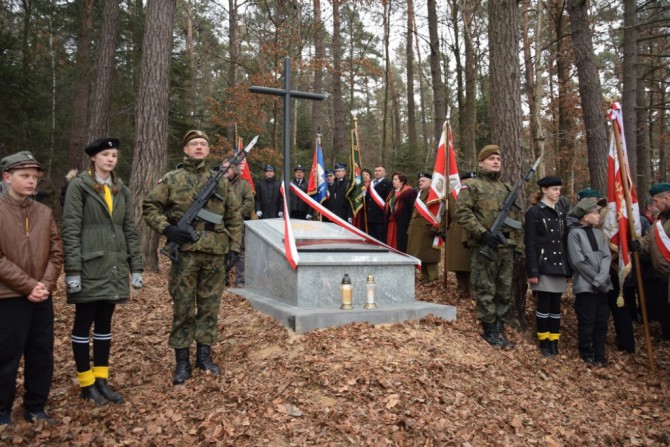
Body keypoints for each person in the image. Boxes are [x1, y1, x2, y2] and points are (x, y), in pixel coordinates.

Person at [143, 130, 242, 385]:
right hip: (185, 254)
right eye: (194, 144)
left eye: (203, 144)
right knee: (183, 307)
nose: (199, 147)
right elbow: (150, 207)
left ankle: (204, 357)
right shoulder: (172, 179)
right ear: (185, 150)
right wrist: (168, 229)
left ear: (208, 151)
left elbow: (233, 215)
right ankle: (182, 362)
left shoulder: (219, 181)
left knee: (210, 307)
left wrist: (234, 248)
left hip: (215, 254)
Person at [61, 137, 144, 405]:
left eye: (114, 155)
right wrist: (72, 270)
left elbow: (129, 230)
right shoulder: (79, 187)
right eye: (106, 154)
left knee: (105, 324)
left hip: (114, 265)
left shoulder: (122, 189)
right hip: (88, 265)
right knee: (84, 322)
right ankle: (86, 383)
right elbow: (71, 229)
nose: (111, 159)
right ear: (94, 158)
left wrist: (136, 266)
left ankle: (101, 381)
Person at [0, 151, 63, 425]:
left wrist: (44, 285)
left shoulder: (44, 212)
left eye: (34, 177)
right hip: (8, 297)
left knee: (41, 354)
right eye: (24, 176)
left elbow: (57, 253)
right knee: (6, 356)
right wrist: (28, 285)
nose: (31, 182)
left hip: (41, 297)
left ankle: (35, 407)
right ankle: (2, 411)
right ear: (7, 177)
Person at [455, 145, 523, 349]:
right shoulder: (473, 186)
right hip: (485, 248)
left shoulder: (506, 188)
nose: (496, 162)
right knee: (486, 289)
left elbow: (517, 219)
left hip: (506, 248)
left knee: (504, 291)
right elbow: (462, 212)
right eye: (491, 158)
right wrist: (482, 233)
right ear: (481, 162)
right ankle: (490, 328)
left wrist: (518, 247)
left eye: (498, 159)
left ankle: (500, 326)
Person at [524, 176, 571, 357]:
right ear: (544, 190)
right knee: (543, 305)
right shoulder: (534, 212)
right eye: (554, 189)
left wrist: (567, 269)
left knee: (556, 307)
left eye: (559, 189)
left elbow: (562, 243)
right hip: (543, 265)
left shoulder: (560, 212)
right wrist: (533, 270)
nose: (558, 193)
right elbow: (530, 243)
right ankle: (544, 341)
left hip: (559, 266)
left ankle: (554, 340)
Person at [567, 197, 613, 367]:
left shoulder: (598, 233)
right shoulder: (574, 234)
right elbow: (578, 262)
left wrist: (601, 279)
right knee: (588, 321)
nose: (598, 215)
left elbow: (607, 256)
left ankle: (600, 354)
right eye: (595, 213)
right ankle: (587, 352)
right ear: (585, 216)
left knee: (602, 321)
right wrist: (596, 279)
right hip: (586, 286)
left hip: (602, 285)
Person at [630, 183, 670, 341]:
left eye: (656, 201)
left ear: (666, 198)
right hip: (663, 277)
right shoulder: (660, 221)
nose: (654, 205)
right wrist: (638, 245)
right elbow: (650, 240)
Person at [221, 157, 254, 287]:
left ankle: (240, 280)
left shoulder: (244, 185)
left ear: (234, 169)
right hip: (220, 223)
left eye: (227, 168)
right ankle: (223, 278)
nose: (224, 171)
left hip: (237, 225)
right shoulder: (219, 183)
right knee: (222, 251)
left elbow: (249, 202)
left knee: (239, 253)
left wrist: (236, 213)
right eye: (222, 168)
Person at [444, 172, 476, 297]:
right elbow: (445, 216)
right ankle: (462, 288)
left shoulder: (477, 193)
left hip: (473, 230)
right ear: (461, 182)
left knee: (471, 263)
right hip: (456, 232)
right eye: (467, 180)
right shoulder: (452, 196)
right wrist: (443, 229)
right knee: (458, 264)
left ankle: (473, 290)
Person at [407, 172, 441, 284]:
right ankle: (426, 277)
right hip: (416, 229)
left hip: (428, 228)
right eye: (420, 181)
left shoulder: (433, 194)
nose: (420, 182)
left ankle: (433, 278)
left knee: (429, 256)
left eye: (423, 180)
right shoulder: (420, 194)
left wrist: (436, 228)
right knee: (420, 255)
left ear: (431, 182)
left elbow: (438, 212)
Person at [385, 172, 417, 253]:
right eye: (393, 179)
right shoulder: (392, 192)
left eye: (396, 179)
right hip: (392, 221)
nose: (393, 181)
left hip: (403, 223)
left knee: (400, 243)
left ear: (402, 181)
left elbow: (411, 209)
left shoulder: (409, 192)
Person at [365, 165, 393, 243]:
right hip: (370, 217)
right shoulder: (371, 183)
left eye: (379, 171)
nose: (377, 172)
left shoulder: (388, 183)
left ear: (385, 173)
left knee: (380, 240)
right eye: (375, 171)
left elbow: (389, 200)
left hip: (380, 217)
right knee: (371, 240)